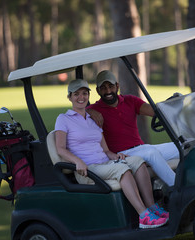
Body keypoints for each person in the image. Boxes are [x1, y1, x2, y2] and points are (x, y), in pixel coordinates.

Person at [54, 79, 169, 229]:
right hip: (88, 169)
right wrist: (77, 161)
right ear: (69, 97)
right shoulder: (63, 119)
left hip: (105, 163)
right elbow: (60, 148)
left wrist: (116, 156)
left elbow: (106, 150)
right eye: (76, 94)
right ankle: (143, 216)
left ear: (88, 95)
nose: (81, 97)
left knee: (137, 162)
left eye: (84, 93)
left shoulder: (94, 119)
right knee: (122, 170)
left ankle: (152, 207)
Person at [87, 70, 179, 187]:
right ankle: (177, 186)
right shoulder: (94, 109)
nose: (108, 91)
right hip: (121, 155)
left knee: (181, 146)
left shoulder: (130, 101)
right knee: (151, 153)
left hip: (141, 148)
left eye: (111, 86)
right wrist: (88, 110)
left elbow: (154, 111)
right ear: (98, 91)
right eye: (103, 88)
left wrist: (173, 104)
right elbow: (77, 115)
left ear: (117, 86)